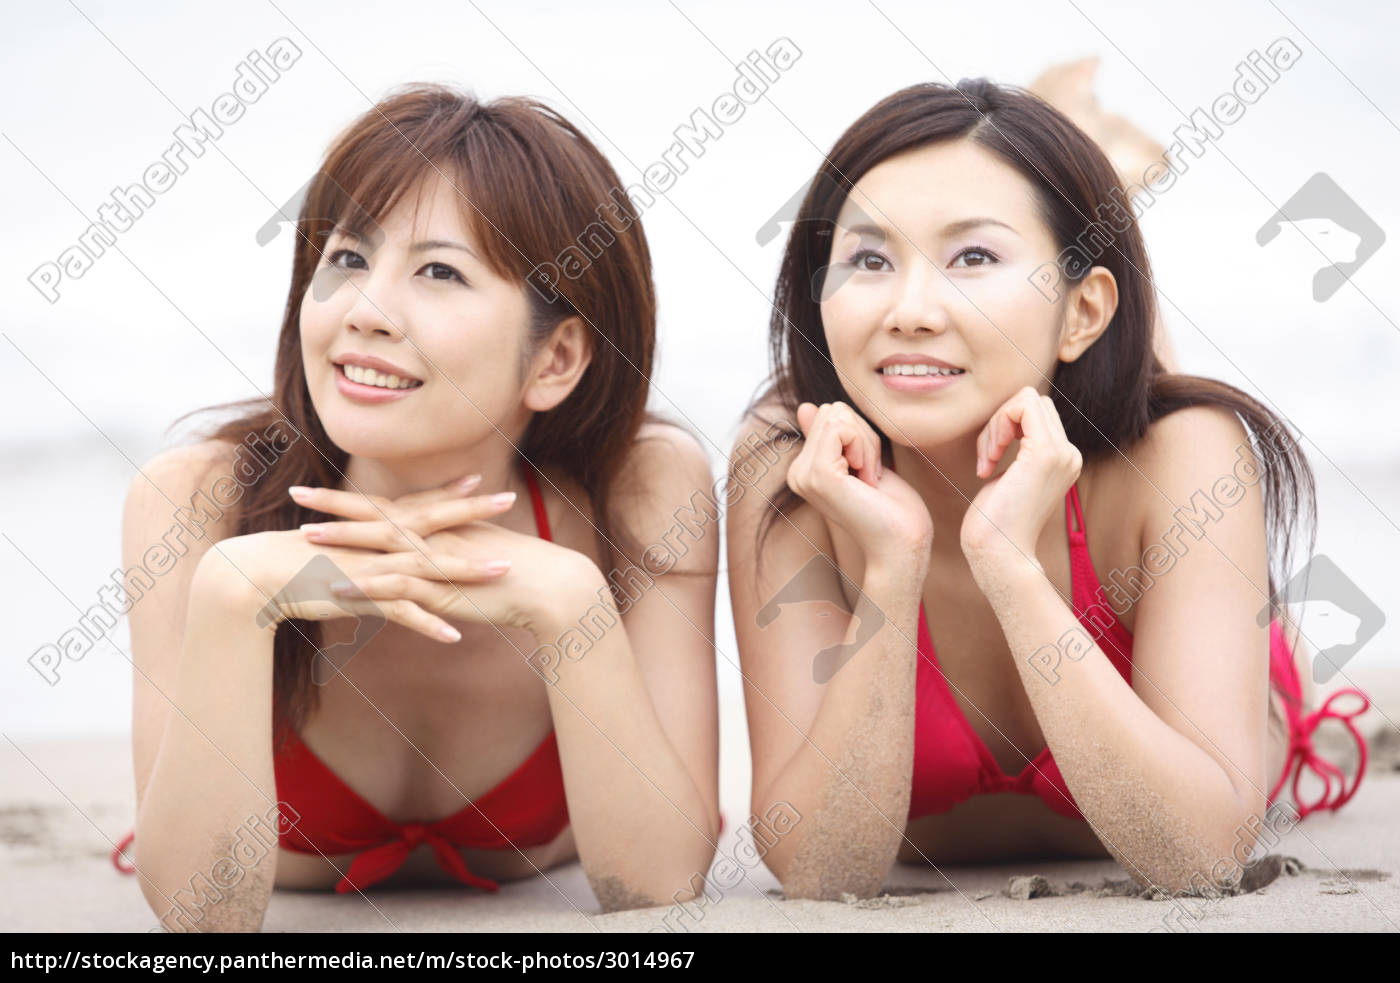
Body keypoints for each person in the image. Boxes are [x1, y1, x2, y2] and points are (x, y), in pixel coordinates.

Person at [726, 76, 1370, 900]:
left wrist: (1012, 567)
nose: (910, 308)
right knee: (1024, 344)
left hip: (1126, 484)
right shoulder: (791, 462)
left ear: (1082, 307)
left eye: (973, 255)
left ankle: (1091, 186)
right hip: (1038, 349)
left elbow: (1199, 859)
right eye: (869, 259)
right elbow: (821, 868)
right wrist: (893, 565)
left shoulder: (1189, 456)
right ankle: (1066, 177)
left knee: (1136, 391)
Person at [111, 84, 720, 930]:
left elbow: (658, 886)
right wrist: (232, 598)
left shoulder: (638, 490)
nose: (364, 312)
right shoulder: (197, 502)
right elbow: (200, 913)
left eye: (439, 272)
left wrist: (570, 603)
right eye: (349, 259)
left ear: (556, 358)